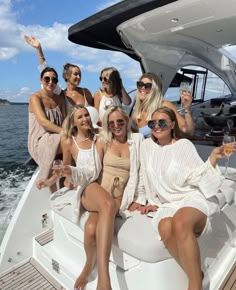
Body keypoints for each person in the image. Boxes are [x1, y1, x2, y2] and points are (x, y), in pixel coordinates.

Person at [139, 106, 236, 290]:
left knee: (180, 223)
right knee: (165, 228)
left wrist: (213, 157)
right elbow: (143, 175)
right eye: (152, 123)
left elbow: (198, 176)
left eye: (162, 123)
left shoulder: (183, 145)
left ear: (173, 124)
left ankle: (195, 285)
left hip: (191, 197)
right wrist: (144, 199)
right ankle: (195, 274)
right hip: (168, 203)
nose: (157, 127)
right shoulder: (146, 147)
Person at [60, 106, 145, 290]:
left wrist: (142, 197)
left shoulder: (137, 140)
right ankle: (103, 280)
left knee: (91, 228)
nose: (116, 125)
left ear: (127, 122)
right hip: (95, 188)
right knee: (106, 205)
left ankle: (88, 266)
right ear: (107, 125)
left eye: (120, 121)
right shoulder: (103, 140)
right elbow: (92, 169)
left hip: (118, 197)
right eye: (111, 122)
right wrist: (72, 172)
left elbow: (142, 171)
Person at [24, 35, 94, 113]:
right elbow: (46, 72)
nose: (78, 77)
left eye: (80, 75)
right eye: (76, 74)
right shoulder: (61, 94)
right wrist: (39, 49)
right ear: (67, 76)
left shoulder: (86, 92)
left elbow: (93, 112)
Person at [28, 67, 66, 182]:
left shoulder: (59, 99)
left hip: (57, 135)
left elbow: (64, 120)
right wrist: (65, 133)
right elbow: (43, 122)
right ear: (41, 80)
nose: (50, 82)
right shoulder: (35, 97)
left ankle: (68, 175)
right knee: (68, 142)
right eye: (47, 79)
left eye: (54, 80)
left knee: (74, 140)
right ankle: (52, 180)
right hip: (39, 138)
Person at [132, 72, 194, 138]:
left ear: (155, 89)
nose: (143, 88)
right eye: (140, 84)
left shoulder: (164, 105)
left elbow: (187, 131)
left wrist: (187, 108)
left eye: (148, 86)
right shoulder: (136, 114)